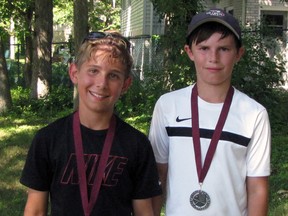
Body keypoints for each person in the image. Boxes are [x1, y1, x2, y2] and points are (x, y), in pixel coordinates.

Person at [20, 31, 162, 216]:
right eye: (93, 70)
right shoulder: (48, 139)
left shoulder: (136, 145)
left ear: (125, 84)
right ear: (74, 73)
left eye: (113, 76)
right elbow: (36, 211)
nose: (101, 83)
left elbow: (144, 212)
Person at [149, 8, 271, 216]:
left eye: (223, 49)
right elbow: (157, 176)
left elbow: (257, 187)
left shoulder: (254, 114)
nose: (213, 58)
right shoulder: (168, 106)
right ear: (189, 52)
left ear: (238, 54)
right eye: (204, 48)